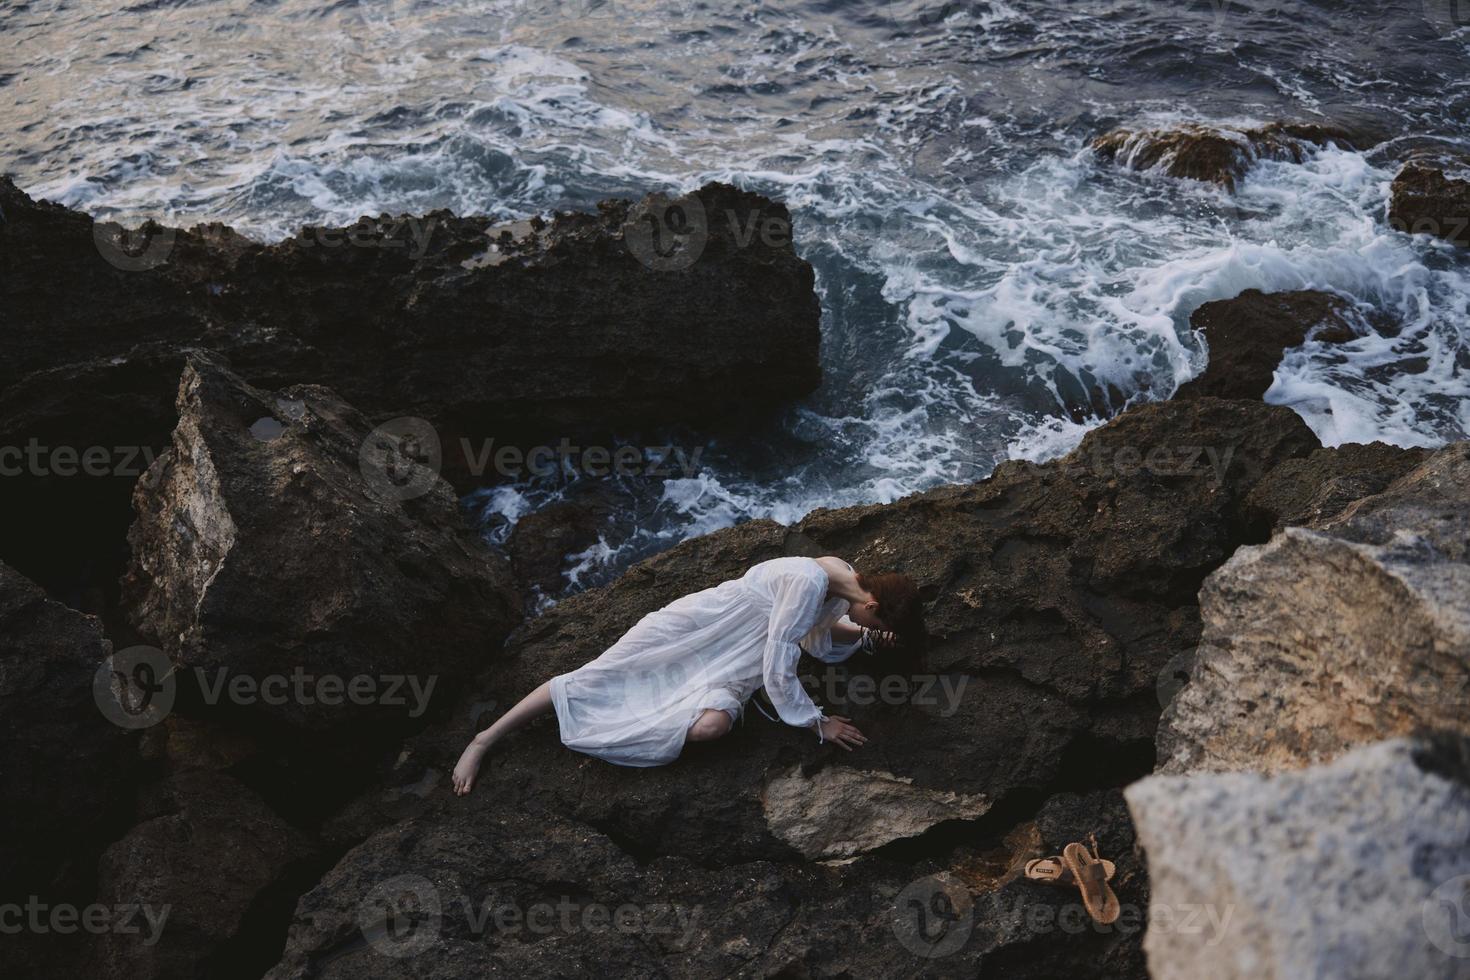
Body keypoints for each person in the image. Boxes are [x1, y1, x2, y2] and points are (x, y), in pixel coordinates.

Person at [451, 555, 925, 795]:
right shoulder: (808, 581)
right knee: (597, 679)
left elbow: (815, 633)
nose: (869, 627)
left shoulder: (843, 576)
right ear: (874, 604)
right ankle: (485, 739)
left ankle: (653, 712)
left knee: (711, 726)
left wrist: (862, 639)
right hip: (697, 630)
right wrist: (816, 721)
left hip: (737, 654)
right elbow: (782, 659)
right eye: (876, 623)